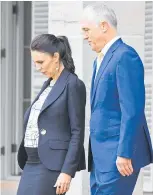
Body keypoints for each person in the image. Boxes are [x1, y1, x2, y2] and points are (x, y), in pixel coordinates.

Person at [81, 3, 153, 195]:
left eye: (87, 29)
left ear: (103, 26)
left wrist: (124, 152)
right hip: (100, 158)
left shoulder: (125, 56)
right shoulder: (101, 59)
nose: (84, 35)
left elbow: (133, 110)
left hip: (118, 157)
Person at [17, 34, 86, 195]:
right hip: (31, 162)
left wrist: (67, 172)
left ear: (56, 57)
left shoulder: (73, 84)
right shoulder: (47, 85)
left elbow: (77, 132)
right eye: (35, 63)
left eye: (40, 62)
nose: (37, 67)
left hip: (51, 165)